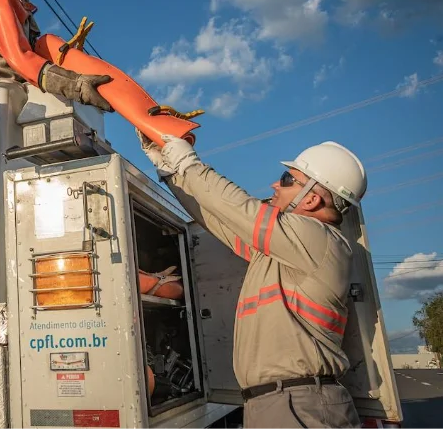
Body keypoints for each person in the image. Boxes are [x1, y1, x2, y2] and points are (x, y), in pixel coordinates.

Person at [137, 129, 367, 429]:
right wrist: (170, 171)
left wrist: (188, 163)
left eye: (287, 179)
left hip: (298, 404)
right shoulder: (288, 250)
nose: (275, 184)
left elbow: (239, 208)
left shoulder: (319, 239)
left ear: (311, 199)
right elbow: (220, 219)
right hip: (282, 401)